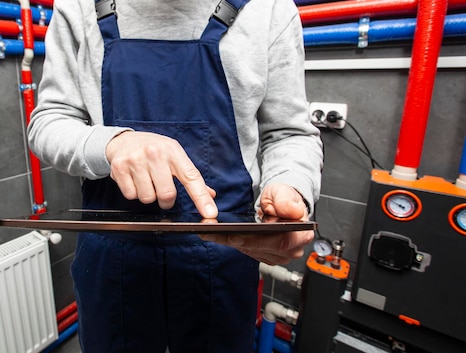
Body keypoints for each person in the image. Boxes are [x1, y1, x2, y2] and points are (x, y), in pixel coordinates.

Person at [28, 0, 323, 351]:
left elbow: (289, 133)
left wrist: (288, 183)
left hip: (225, 255)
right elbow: (49, 120)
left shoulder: (269, 8)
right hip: (112, 258)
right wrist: (113, 145)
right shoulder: (79, 7)